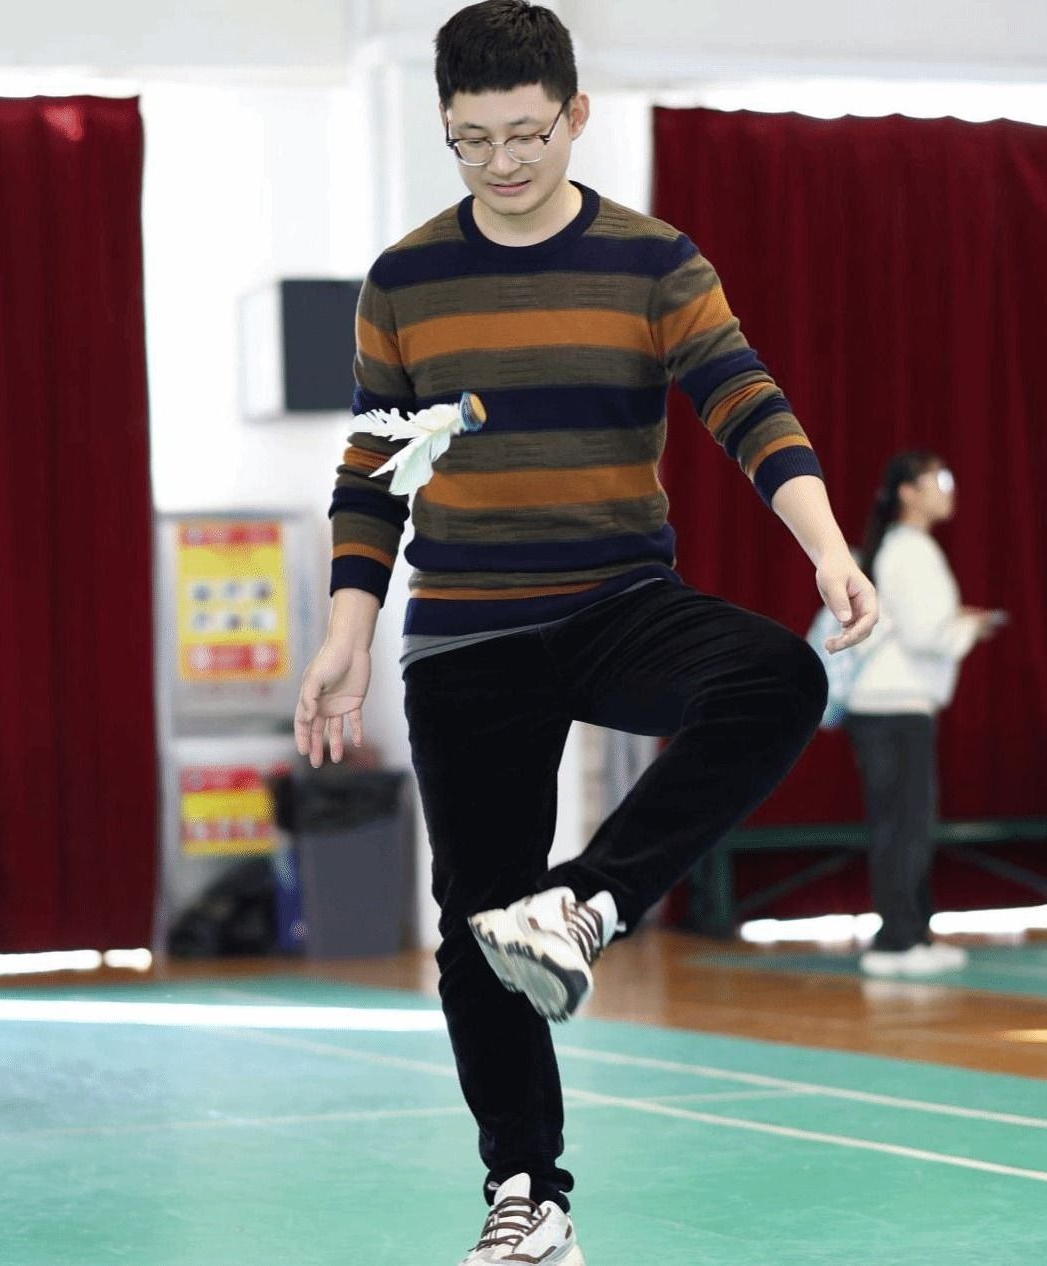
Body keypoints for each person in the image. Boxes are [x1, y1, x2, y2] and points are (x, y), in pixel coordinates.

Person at [293, 4, 877, 1260]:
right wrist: (346, 632)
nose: (501, 162)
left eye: (525, 134)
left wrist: (826, 546)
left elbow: (745, 403)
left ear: (576, 115)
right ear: (444, 128)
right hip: (466, 634)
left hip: (617, 603)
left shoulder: (653, 262)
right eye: (471, 140)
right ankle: (528, 1197)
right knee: (474, 921)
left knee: (774, 678)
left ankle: (590, 904)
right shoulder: (403, 281)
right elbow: (373, 475)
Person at [846, 452, 1004, 979]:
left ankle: (912, 933)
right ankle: (896, 942)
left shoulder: (905, 548)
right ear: (908, 491)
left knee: (908, 823)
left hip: (896, 706)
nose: (949, 488)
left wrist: (954, 623)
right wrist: (968, 628)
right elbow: (923, 635)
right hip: (892, 706)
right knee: (902, 826)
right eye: (940, 478)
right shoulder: (908, 551)